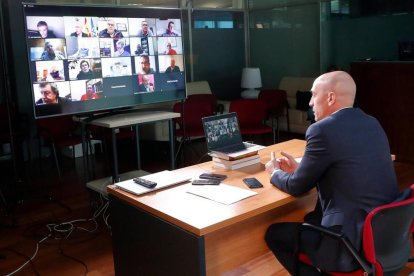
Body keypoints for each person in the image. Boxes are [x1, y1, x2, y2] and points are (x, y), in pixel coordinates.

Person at [264, 71, 399, 274]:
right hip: (382, 237)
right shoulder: (372, 123)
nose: (310, 103)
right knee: (311, 216)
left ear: (330, 98)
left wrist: (274, 173)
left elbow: (296, 187)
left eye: (313, 95)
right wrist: (301, 169)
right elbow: (347, 169)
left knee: (274, 234)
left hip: (347, 245)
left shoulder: (322, 130)